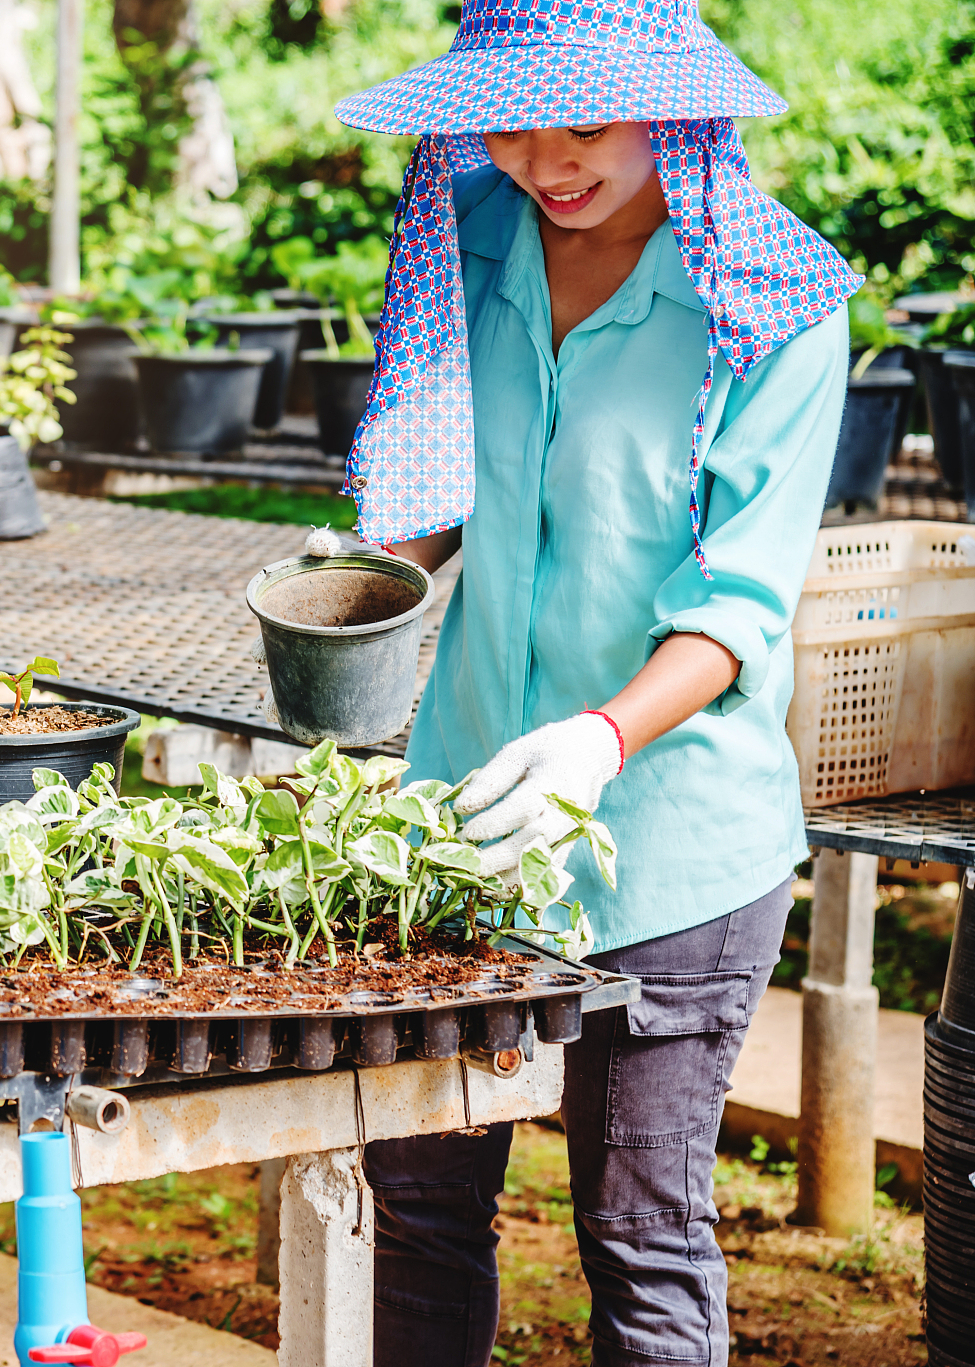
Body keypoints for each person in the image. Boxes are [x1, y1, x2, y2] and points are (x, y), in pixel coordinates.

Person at [325, 4, 860, 1366]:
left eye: (581, 122)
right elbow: (439, 488)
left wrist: (601, 739)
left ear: (670, 107)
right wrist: (358, 571)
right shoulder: (471, 243)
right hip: (465, 816)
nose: (542, 160)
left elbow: (740, 604)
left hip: (671, 846)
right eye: (505, 121)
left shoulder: (775, 308)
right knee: (422, 1200)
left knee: (639, 1230)